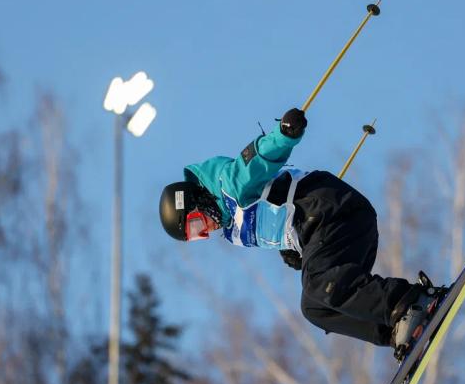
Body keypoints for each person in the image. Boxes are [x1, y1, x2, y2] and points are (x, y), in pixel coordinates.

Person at [159, 107, 445, 356]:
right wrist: (293, 248)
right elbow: (275, 219)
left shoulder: (231, 186)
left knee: (319, 283)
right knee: (315, 308)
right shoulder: (233, 230)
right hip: (332, 231)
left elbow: (258, 160)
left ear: (195, 201)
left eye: (196, 223)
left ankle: (412, 302)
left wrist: (284, 135)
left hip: (333, 211)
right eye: (197, 235)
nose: (205, 231)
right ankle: (397, 329)